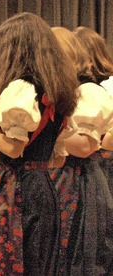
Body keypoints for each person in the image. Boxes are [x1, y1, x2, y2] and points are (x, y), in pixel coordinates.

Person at [0, 13, 79, 275]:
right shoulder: (54, 88)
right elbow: (55, 154)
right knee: (37, 261)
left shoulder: (20, 88)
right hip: (43, 185)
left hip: (16, 189)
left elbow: (14, 149)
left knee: (8, 260)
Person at [49, 26, 113, 275]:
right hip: (61, 180)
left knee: (81, 259)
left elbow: (86, 146)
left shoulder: (87, 91)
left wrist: (42, 137)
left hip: (78, 183)